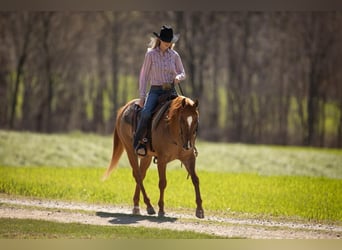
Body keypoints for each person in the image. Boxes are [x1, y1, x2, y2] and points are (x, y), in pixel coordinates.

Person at [133, 25, 186, 156]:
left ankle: (186, 144)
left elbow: (182, 72)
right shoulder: (150, 54)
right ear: (160, 40)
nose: (168, 44)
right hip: (155, 91)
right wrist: (142, 96)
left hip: (171, 91)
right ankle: (139, 142)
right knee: (145, 113)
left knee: (185, 112)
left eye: (170, 42)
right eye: (165, 41)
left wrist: (178, 77)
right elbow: (144, 76)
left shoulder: (174, 55)